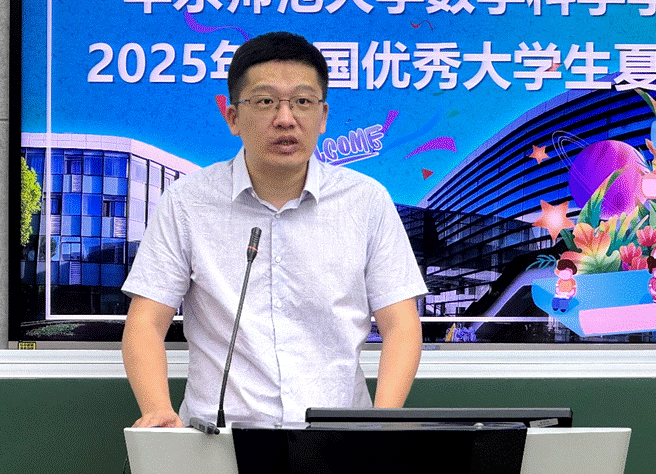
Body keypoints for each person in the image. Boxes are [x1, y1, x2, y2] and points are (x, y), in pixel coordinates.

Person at [121, 31, 427, 429]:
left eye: (302, 102)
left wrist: (380, 424)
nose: (285, 118)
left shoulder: (366, 201)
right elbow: (146, 321)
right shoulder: (187, 202)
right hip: (218, 438)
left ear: (323, 117)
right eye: (265, 102)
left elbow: (401, 324)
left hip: (336, 439)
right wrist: (157, 408)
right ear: (233, 117)